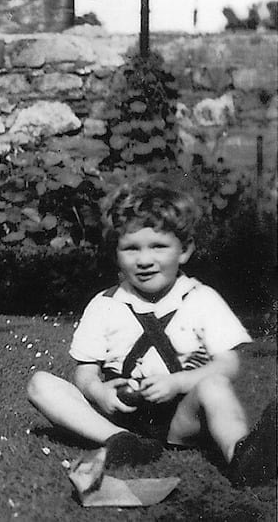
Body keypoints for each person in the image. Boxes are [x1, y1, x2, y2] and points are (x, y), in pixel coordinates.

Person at [26, 179, 277, 487]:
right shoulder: (104, 304)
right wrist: (99, 392)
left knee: (215, 384)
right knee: (40, 384)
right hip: (118, 414)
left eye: (158, 246)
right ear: (116, 253)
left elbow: (229, 365)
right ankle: (123, 442)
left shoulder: (201, 298)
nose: (144, 260)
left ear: (184, 251)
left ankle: (242, 455)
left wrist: (177, 382)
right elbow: (86, 373)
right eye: (131, 249)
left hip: (180, 418)